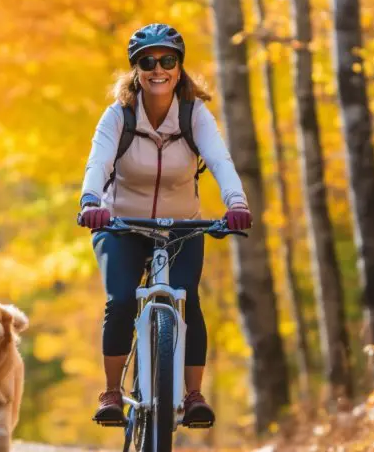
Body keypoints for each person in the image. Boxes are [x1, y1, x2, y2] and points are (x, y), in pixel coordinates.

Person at [77, 23, 252, 427]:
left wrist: (236, 202)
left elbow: (221, 161)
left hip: (181, 227)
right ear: (136, 69)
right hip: (120, 223)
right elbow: (98, 161)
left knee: (188, 297)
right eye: (148, 61)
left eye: (167, 60)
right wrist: (90, 201)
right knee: (121, 299)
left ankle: (192, 395)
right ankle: (111, 392)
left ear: (179, 67)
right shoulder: (119, 114)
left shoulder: (194, 114)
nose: (159, 69)